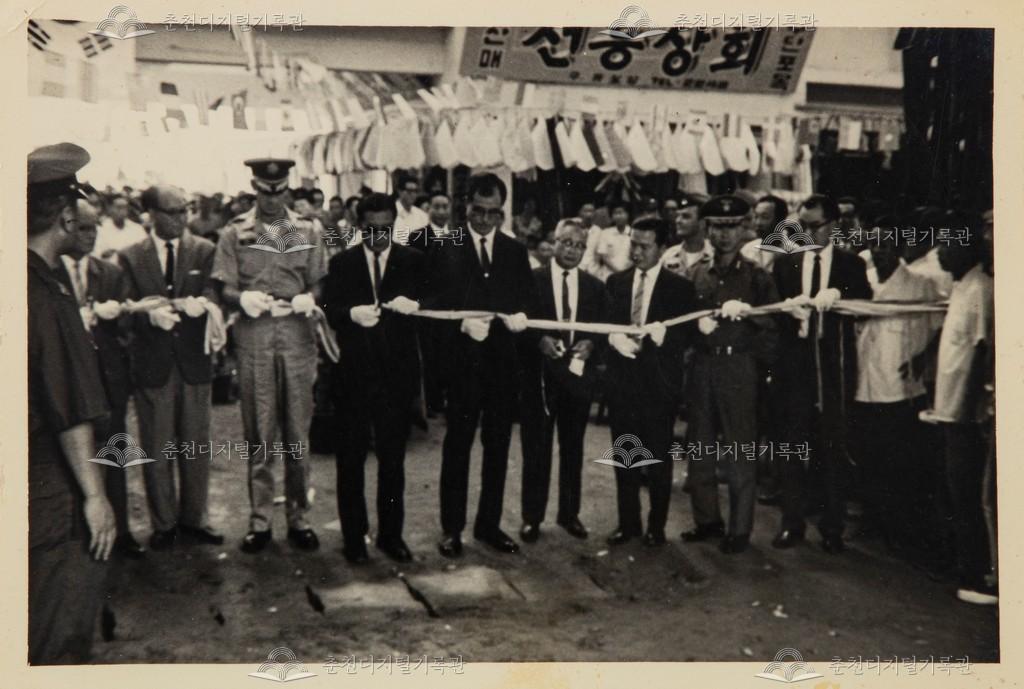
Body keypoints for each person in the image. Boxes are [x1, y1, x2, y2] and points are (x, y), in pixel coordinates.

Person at [27, 142, 115, 663]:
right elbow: (69, 408)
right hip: (48, 479)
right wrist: (95, 497)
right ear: (64, 217)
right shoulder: (46, 294)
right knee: (56, 625)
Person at [212, 158, 327, 553]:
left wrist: (307, 299)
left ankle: (299, 517)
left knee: (297, 433)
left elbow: (319, 283)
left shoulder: (308, 230)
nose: (273, 198)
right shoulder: (235, 233)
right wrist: (242, 298)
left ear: (287, 189)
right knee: (259, 433)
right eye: (265, 190)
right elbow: (224, 287)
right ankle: (260, 521)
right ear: (254, 188)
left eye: (279, 191)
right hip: (255, 337)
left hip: (296, 336)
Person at [424, 173, 536, 557]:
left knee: (498, 446)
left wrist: (521, 317)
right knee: (458, 445)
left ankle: (488, 525)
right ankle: (452, 528)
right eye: (478, 211)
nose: (485, 220)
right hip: (462, 367)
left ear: (502, 212)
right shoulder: (446, 245)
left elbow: (528, 300)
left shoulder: (514, 250)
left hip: (501, 367)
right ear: (465, 207)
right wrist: (459, 325)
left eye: (493, 213)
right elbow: (431, 306)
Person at [322, 193, 426, 564]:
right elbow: (328, 309)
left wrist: (417, 305)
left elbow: (434, 302)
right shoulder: (342, 263)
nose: (379, 236)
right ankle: (354, 537)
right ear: (358, 225)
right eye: (371, 229)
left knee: (392, 461)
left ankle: (391, 535)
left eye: (386, 229)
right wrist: (350, 313)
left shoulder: (412, 261)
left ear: (395, 225)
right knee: (351, 460)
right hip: (353, 375)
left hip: (396, 376)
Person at [120, 185, 224, 550]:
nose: (181, 218)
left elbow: (214, 291)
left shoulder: (205, 250)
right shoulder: (131, 257)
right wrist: (148, 317)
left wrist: (204, 303)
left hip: (193, 361)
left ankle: (195, 519)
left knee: (195, 445)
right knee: (157, 445)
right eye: (172, 211)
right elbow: (124, 308)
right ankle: (164, 523)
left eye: (184, 210)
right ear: (151, 214)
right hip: (154, 363)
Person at [772, 194, 872, 554]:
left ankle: (833, 527)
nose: (808, 234)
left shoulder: (851, 264)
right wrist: (787, 312)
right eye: (802, 227)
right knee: (791, 445)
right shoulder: (786, 265)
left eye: (815, 226)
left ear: (834, 225)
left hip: (832, 368)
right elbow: (771, 314)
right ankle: (791, 523)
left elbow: (865, 304)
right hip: (795, 367)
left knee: (832, 446)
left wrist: (839, 294)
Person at [683, 196, 779, 554]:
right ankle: (707, 520)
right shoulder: (696, 274)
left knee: (739, 449)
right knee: (700, 446)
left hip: (738, 367)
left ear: (744, 229)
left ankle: (739, 530)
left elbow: (773, 327)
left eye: (732, 227)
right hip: (702, 365)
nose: (724, 235)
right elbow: (681, 321)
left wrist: (750, 319)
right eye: (717, 227)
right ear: (707, 230)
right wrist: (696, 329)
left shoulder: (757, 277)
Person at [54, 199, 143, 558]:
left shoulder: (110, 273)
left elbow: (127, 329)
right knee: (75, 457)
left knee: (115, 452)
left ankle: (121, 532)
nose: (89, 236)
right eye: (82, 228)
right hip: (65, 381)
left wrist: (116, 316)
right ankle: (80, 537)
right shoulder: (48, 275)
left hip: (107, 380)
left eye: (94, 228)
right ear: (65, 227)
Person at [849, 219, 944, 548]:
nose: (880, 251)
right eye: (875, 245)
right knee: (868, 457)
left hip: (900, 389)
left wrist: (924, 357)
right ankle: (873, 522)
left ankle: (900, 530)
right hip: (864, 384)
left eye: (887, 245)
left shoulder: (921, 284)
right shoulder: (863, 281)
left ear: (901, 248)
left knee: (900, 461)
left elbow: (942, 324)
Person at [604, 217, 696, 546]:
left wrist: (665, 337)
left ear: (661, 248)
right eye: (634, 244)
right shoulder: (616, 282)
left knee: (657, 458)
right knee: (625, 454)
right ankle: (628, 523)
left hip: (659, 385)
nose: (637, 252)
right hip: (622, 382)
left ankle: (656, 527)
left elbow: (689, 334)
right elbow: (604, 324)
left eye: (644, 246)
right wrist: (613, 338)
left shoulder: (679, 287)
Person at [519, 219, 608, 542]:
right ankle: (532, 517)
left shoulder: (595, 286)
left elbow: (604, 328)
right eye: (566, 243)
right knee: (536, 448)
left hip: (577, 377)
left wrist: (591, 344)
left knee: (573, 447)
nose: (572, 250)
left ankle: (569, 514)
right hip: (541, 377)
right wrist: (538, 339)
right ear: (554, 242)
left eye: (579, 245)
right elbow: (519, 325)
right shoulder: (531, 280)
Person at [926, 230, 995, 604]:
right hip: (949, 409)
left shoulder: (980, 289)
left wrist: (970, 410)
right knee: (954, 492)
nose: (939, 253)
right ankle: (963, 564)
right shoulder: (960, 287)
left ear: (968, 248)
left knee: (967, 494)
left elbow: (983, 351)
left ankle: (978, 574)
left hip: (963, 413)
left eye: (948, 245)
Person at [407, 192, 456, 417]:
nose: (441, 211)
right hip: (427, 303)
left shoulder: (457, 236)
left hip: (451, 304)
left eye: (445, 206)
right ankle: (431, 401)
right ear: (429, 210)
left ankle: (447, 398)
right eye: (437, 206)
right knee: (429, 353)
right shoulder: (418, 236)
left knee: (449, 352)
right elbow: (414, 272)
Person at [661, 195, 713, 276]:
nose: (678, 221)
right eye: (677, 216)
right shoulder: (669, 255)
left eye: (685, 217)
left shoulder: (714, 255)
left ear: (702, 223)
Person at [740, 194, 790, 270]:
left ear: (780, 221)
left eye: (764, 217)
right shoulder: (748, 249)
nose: (758, 223)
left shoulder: (794, 253)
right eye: (756, 216)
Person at [92, 192, 147, 260]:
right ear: (110, 208)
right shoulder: (100, 230)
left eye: (125, 207)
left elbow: (145, 252)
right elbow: (95, 256)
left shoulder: (137, 229)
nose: (122, 211)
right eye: (119, 207)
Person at [588, 202, 633, 281]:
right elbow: (604, 257)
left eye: (622, 213)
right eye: (616, 213)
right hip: (608, 275)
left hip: (628, 275)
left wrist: (625, 272)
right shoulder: (605, 233)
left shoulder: (634, 233)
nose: (619, 216)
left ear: (628, 215)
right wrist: (617, 271)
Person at [393, 172, 429, 245]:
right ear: (400, 191)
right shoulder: (392, 212)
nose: (413, 194)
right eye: (409, 191)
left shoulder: (422, 215)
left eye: (415, 191)